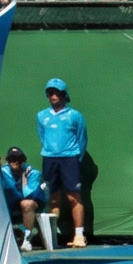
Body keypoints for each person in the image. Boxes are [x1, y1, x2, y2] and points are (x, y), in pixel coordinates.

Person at [36, 79, 89, 247]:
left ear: (64, 95)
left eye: (56, 92)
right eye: (50, 93)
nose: (53, 96)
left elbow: (82, 139)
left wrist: (74, 158)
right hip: (49, 159)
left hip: (70, 159)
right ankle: (52, 238)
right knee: (52, 198)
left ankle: (79, 235)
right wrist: (51, 152)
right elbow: (42, 137)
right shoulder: (41, 116)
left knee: (74, 197)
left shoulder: (75, 116)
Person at [0, 146, 44, 247]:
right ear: (8, 160)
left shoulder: (33, 173)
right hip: (10, 204)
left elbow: (30, 195)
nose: (16, 162)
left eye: (19, 159)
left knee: (26, 204)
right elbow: (8, 189)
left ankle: (27, 240)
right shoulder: (2, 172)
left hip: (31, 204)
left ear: (23, 160)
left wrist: (24, 184)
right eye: (12, 159)